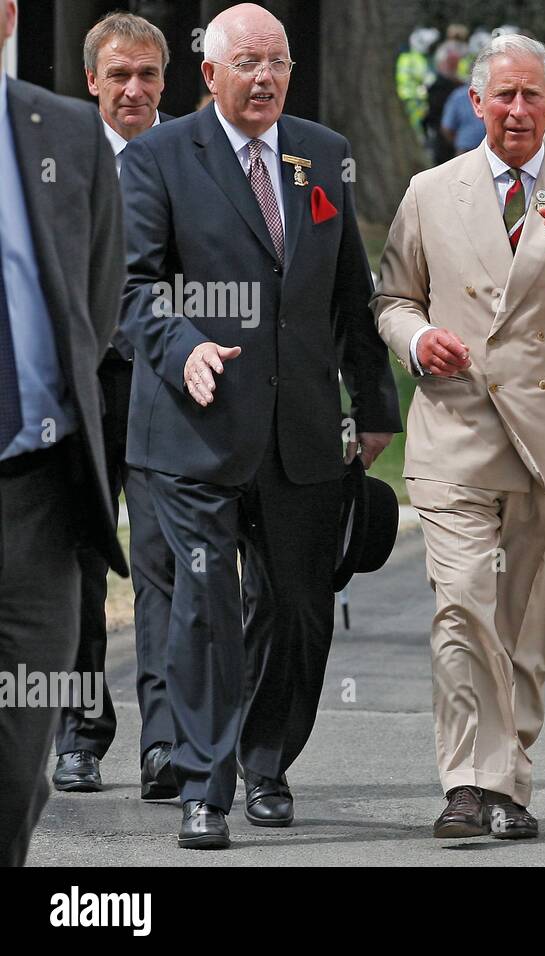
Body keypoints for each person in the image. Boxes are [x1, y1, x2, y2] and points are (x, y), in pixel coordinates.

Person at [118, 2, 401, 850]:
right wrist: (185, 348)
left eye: (277, 61)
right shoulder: (161, 158)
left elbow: (350, 288)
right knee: (203, 612)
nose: (267, 76)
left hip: (303, 431)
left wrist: (375, 404)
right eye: (248, 62)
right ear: (210, 75)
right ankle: (204, 784)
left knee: (297, 609)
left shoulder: (324, 155)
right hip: (193, 433)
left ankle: (266, 762)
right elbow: (131, 289)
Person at [373, 34, 545, 841]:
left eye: (534, 95)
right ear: (477, 103)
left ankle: (508, 776)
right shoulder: (430, 190)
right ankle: (470, 783)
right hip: (456, 430)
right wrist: (418, 340)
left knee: (527, 626)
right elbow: (393, 296)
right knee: (463, 608)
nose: (519, 110)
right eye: (504, 96)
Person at [0, 0, 125, 866]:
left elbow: (101, 289)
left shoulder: (65, 135)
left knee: (17, 762)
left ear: (6, 14)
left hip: (36, 494)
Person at [50, 10, 179, 802]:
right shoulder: (53, 160)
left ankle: (165, 744)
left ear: (166, 81)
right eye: (119, 75)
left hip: (167, 385)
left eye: (148, 75)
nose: (134, 90)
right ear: (92, 80)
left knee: (168, 565)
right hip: (76, 392)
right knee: (77, 567)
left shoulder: (195, 156)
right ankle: (78, 733)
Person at [424, 40, 465, 167]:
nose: (454, 66)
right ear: (441, 64)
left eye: (456, 63)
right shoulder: (437, 86)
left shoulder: (460, 86)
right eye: (451, 63)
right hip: (443, 141)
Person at [396, 26, 438, 137]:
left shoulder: (419, 57)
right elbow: (409, 77)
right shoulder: (408, 58)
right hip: (411, 97)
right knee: (415, 125)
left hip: (419, 97)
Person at [440, 81, 486, 155]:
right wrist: (459, 143)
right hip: (465, 149)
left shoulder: (492, 94)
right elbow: (447, 128)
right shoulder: (458, 96)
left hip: (491, 150)